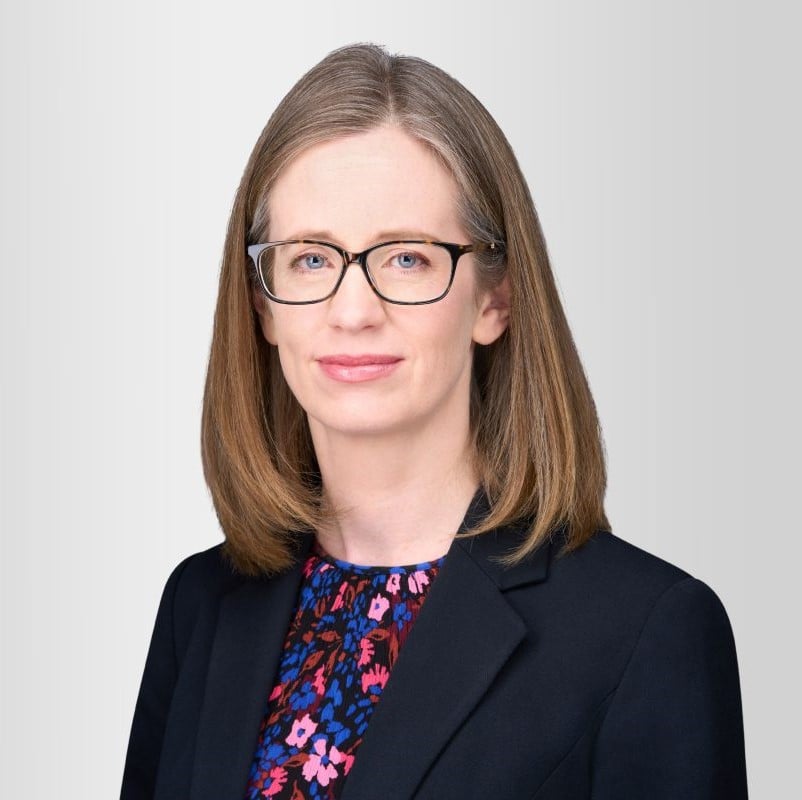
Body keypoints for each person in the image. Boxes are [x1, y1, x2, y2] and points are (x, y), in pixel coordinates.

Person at [119, 43, 748, 800]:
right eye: (311, 259)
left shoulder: (645, 631)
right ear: (263, 305)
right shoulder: (200, 606)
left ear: (494, 300)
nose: (353, 311)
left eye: (407, 258)